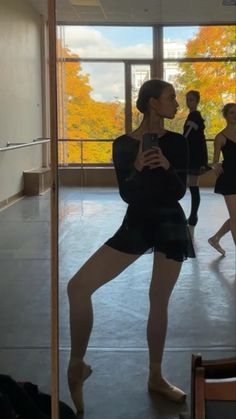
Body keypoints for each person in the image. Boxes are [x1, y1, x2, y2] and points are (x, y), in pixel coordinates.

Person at [67, 79, 195, 414]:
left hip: (170, 223)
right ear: (153, 103)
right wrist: (136, 169)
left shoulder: (178, 142)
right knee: (78, 287)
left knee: (158, 299)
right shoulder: (123, 144)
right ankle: (76, 364)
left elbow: (180, 191)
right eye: (171, 98)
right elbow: (127, 194)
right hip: (136, 222)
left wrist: (166, 166)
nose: (176, 104)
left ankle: (156, 375)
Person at [208, 103, 236, 255]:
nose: (235, 115)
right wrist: (215, 165)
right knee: (235, 217)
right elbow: (214, 161)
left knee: (235, 217)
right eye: (232, 113)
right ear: (225, 116)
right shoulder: (220, 137)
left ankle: (215, 238)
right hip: (229, 178)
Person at [183, 90, 208, 227]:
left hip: (194, 156)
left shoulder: (195, 116)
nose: (188, 102)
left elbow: (189, 137)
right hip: (193, 155)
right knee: (193, 185)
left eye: (191, 100)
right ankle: (193, 216)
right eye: (187, 99)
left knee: (193, 185)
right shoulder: (193, 116)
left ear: (197, 101)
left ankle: (193, 216)